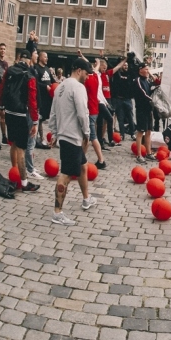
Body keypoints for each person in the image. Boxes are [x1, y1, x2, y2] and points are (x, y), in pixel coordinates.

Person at [48, 58, 96, 225]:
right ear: (78, 70)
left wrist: (54, 133)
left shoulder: (60, 87)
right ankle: (57, 213)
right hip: (72, 136)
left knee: (83, 165)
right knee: (66, 175)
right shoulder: (78, 87)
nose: (88, 77)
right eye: (86, 73)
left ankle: (86, 199)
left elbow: (52, 113)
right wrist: (87, 133)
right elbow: (83, 113)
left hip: (64, 135)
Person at [0, 50, 40, 192]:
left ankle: (14, 172)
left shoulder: (9, 70)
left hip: (9, 111)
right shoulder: (29, 75)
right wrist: (35, 121)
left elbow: (2, 88)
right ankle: (24, 183)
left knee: (14, 144)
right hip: (21, 113)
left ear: (19, 59)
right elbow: (32, 100)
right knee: (22, 148)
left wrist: (2, 107)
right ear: (28, 61)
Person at [76, 51, 106, 169]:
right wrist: (96, 62)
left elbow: (90, 66)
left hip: (89, 110)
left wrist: (83, 58)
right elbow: (95, 67)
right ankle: (82, 157)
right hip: (95, 110)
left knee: (91, 137)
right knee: (87, 136)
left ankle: (101, 160)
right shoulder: (96, 77)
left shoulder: (87, 80)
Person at [133, 63, 154, 163]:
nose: (147, 71)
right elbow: (143, 93)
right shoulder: (138, 80)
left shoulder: (147, 80)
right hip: (141, 109)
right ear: (140, 70)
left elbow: (156, 84)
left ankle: (149, 153)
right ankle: (139, 155)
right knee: (140, 132)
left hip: (148, 109)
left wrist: (151, 74)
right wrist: (152, 101)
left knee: (148, 131)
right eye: (146, 69)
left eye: (148, 69)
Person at [35, 52, 55, 150]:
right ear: (40, 57)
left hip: (48, 99)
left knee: (44, 119)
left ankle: (49, 138)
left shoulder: (47, 69)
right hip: (40, 98)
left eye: (47, 57)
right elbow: (35, 82)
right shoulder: (36, 68)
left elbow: (52, 81)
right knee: (39, 119)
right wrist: (45, 86)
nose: (47, 58)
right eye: (45, 56)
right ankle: (41, 138)